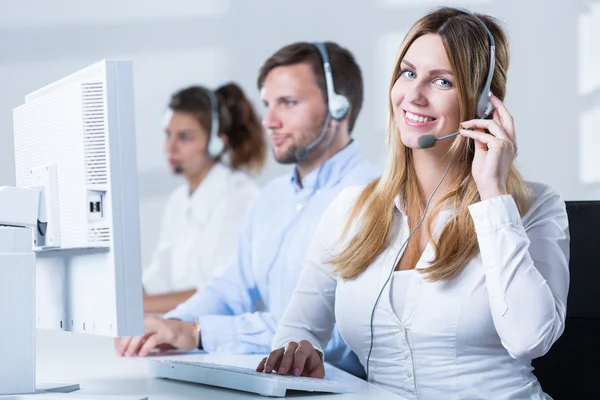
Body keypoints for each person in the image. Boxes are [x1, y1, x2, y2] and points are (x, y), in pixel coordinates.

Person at [258, 7, 570, 399]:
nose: (414, 96)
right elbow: (298, 327)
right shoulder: (351, 209)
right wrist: (302, 351)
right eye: (408, 73)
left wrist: (492, 192)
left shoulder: (533, 206)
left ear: (483, 104)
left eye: (442, 81)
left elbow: (530, 339)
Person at [116, 41, 380, 377]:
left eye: (287, 103)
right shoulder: (271, 198)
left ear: (339, 107)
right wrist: (171, 324)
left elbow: (339, 332)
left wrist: (200, 333)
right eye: (268, 104)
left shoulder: (371, 196)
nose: (269, 121)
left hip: (338, 384)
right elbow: (232, 286)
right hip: (275, 377)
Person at [142, 83, 267, 314]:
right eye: (167, 134)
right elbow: (159, 276)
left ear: (217, 142)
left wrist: (134, 306)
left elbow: (219, 292)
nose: (170, 147)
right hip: (182, 333)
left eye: (185, 137)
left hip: (225, 338)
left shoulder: (239, 196)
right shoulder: (177, 201)